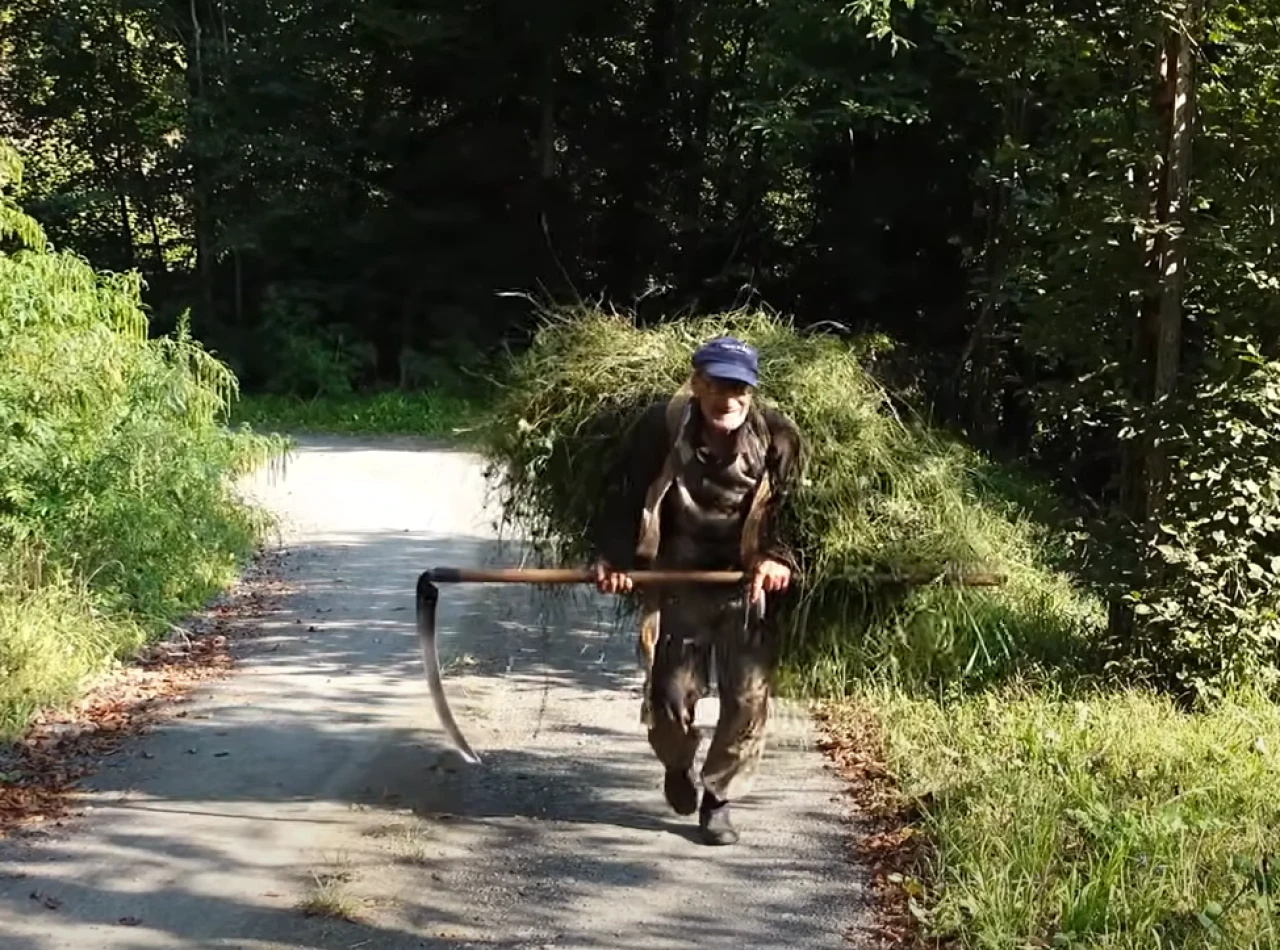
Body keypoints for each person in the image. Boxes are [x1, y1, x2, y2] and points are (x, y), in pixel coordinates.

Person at [588, 335, 803, 846]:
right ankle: (678, 763)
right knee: (669, 701)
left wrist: (778, 557)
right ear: (695, 383)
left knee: (747, 699)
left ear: (751, 391)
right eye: (715, 385)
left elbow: (797, 511)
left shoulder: (777, 436)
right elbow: (626, 492)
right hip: (678, 580)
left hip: (745, 587)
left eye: (738, 388)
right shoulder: (661, 426)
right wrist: (616, 559)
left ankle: (719, 799)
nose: (726, 399)